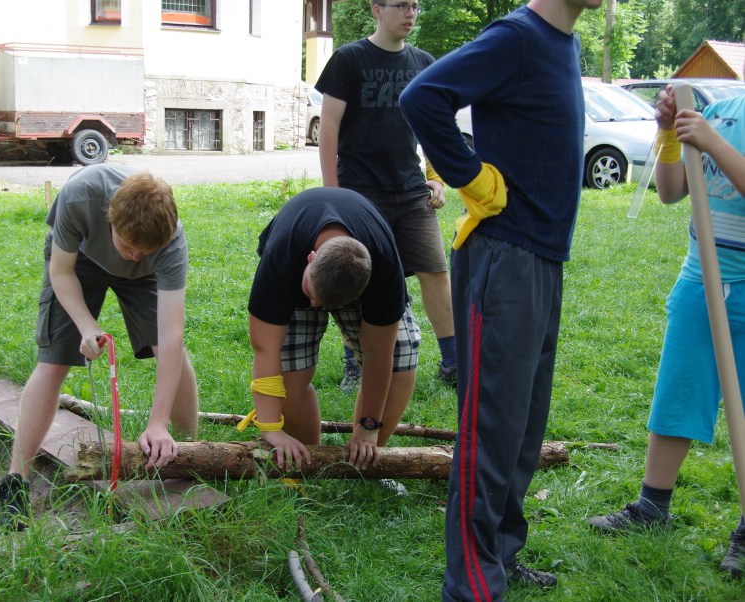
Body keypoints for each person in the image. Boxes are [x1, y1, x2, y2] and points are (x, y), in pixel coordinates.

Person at [399, 0, 602, 598]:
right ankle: (472, 586)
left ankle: (500, 555)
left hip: (542, 259)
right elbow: (422, 97)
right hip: (505, 261)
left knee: (522, 428)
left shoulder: (563, 42)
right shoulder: (516, 37)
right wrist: (469, 177)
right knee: (490, 431)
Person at [588, 83, 745, 579]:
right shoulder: (718, 112)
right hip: (702, 279)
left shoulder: (714, 128)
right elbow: (674, 191)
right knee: (678, 390)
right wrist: (668, 133)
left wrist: (714, 144)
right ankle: (652, 505)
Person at [0, 163, 199, 531]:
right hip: (79, 262)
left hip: (145, 282)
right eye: (128, 247)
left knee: (170, 352)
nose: (133, 256)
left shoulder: (169, 242)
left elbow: (171, 337)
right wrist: (86, 325)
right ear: (110, 219)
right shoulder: (81, 197)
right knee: (53, 362)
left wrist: (157, 422)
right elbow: (60, 271)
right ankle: (15, 483)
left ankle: (188, 456)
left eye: (144, 250)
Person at [314, 0, 456, 391]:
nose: (410, 13)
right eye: (401, 5)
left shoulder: (424, 63)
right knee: (359, 273)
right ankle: (355, 362)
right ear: (377, 9)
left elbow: (434, 128)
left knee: (436, 272)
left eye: (415, 5)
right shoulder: (349, 58)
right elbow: (328, 128)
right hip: (359, 191)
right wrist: (333, 194)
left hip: (411, 191)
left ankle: (453, 362)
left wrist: (437, 178)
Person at [241, 187, 419, 474]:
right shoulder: (281, 258)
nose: (314, 305)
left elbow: (379, 353)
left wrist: (369, 425)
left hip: (357, 275)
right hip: (292, 265)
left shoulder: (384, 270)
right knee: (290, 373)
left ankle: (364, 463)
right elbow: (266, 349)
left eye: (321, 303)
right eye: (310, 294)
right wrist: (271, 428)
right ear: (310, 259)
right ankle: (308, 462)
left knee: (403, 355)